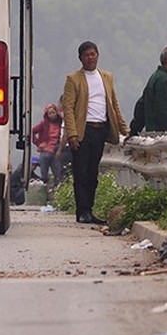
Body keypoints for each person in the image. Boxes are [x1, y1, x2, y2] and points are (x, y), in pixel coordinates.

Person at [60, 41, 130, 225]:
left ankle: (90, 210)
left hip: (101, 130)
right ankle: (81, 211)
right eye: (86, 55)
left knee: (92, 173)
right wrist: (72, 134)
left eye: (93, 54)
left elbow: (114, 105)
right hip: (83, 131)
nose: (90, 58)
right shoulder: (73, 79)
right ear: (81, 58)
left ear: (98, 55)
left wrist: (125, 129)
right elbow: (68, 108)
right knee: (81, 172)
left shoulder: (106, 77)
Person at [131, 45, 167, 134]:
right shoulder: (164, 81)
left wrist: (134, 130)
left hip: (153, 133)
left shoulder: (155, 77)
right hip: (164, 135)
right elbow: (166, 113)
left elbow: (141, 106)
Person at [30, 103, 65, 185]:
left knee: (58, 175)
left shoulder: (61, 124)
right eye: (50, 113)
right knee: (44, 176)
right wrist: (38, 143)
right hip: (45, 152)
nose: (52, 115)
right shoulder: (44, 124)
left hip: (55, 152)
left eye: (53, 112)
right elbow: (32, 132)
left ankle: (57, 193)